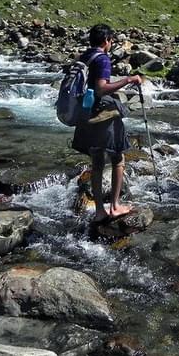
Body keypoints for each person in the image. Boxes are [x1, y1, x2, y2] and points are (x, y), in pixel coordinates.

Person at [71, 23, 142, 223]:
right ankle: (115, 206)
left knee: (97, 161)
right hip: (102, 113)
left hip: (85, 113)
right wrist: (128, 80)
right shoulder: (102, 59)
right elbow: (102, 88)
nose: (111, 44)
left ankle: (99, 211)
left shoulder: (85, 56)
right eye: (111, 41)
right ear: (106, 41)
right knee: (118, 158)